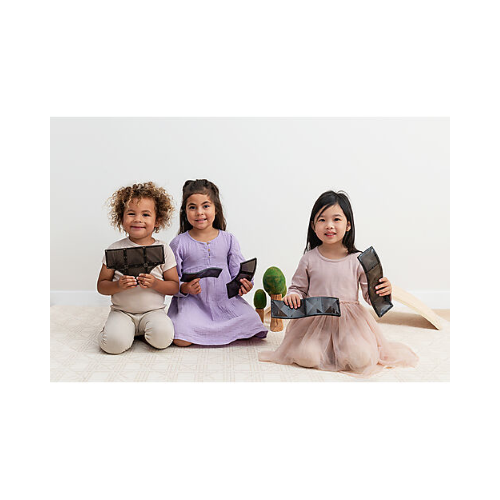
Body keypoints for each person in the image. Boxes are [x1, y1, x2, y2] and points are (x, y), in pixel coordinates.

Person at [258, 190, 418, 376]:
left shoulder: (358, 259)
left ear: (348, 225)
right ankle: (324, 350)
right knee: (307, 357)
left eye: (336, 219)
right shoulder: (309, 259)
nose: (329, 225)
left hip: (350, 324)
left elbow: (369, 296)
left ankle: (342, 348)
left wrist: (383, 291)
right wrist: (293, 295)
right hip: (315, 322)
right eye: (322, 220)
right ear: (313, 225)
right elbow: (298, 288)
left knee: (361, 359)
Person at [167, 179, 267, 346]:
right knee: (180, 338)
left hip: (225, 302)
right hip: (193, 304)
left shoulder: (228, 239)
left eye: (206, 206)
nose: (199, 212)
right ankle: (208, 331)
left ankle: (218, 330)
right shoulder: (179, 243)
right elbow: (170, 280)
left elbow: (238, 272)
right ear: (185, 211)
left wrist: (245, 284)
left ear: (216, 209)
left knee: (253, 322)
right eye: (192, 207)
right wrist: (184, 288)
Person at [97, 182, 179, 354]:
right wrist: (118, 285)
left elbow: (174, 286)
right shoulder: (115, 249)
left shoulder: (164, 249)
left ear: (158, 220)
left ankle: (141, 331)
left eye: (146, 214)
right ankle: (117, 331)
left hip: (153, 312)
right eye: (131, 213)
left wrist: (156, 283)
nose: (138, 219)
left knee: (163, 339)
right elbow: (101, 286)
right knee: (113, 345)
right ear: (121, 218)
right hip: (122, 312)